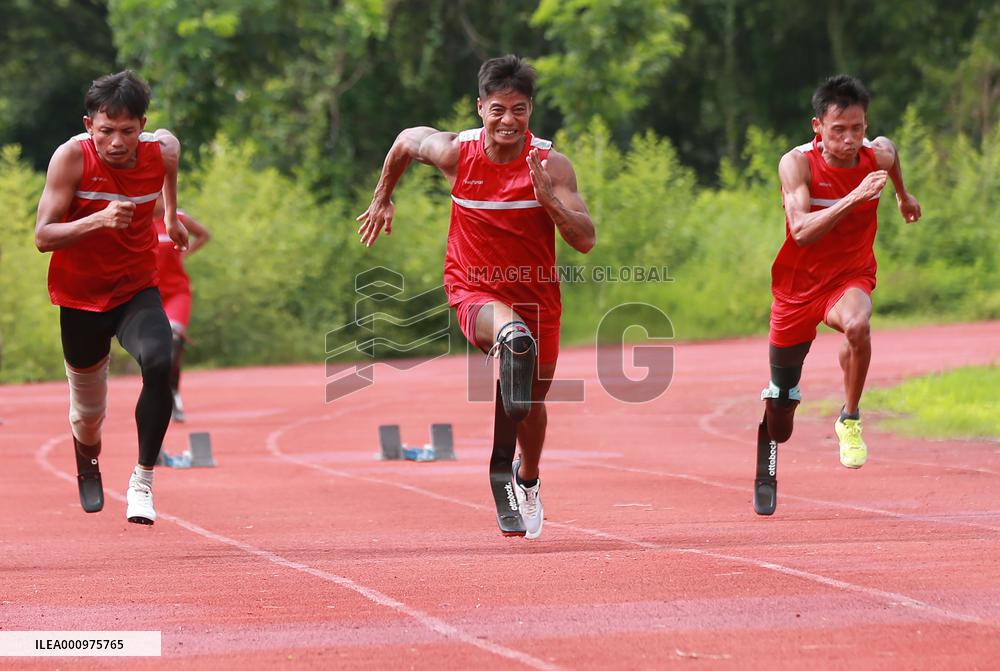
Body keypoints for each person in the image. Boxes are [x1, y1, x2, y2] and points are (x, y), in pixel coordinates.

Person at [357, 55, 596, 539]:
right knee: (514, 337)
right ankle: (498, 472)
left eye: (520, 110)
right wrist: (383, 195)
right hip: (473, 287)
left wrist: (548, 199)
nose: (509, 121)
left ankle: (526, 478)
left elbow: (586, 239)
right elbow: (405, 140)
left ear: (531, 110)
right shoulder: (455, 153)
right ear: (480, 107)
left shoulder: (552, 165)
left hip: (537, 295)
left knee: (528, 402)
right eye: (499, 109)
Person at [35, 70, 186, 525]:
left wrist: (173, 216)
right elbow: (43, 236)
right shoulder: (71, 159)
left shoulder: (162, 151)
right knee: (88, 414)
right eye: (106, 131)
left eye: (127, 131)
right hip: (80, 299)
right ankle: (88, 457)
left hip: (135, 288)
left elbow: (171, 163)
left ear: (142, 126)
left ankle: (142, 481)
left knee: (161, 362)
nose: (116, 142)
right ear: (88, 125)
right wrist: (96, 221)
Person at [762, 74, 921, 468]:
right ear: (817, 127)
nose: (849, 139)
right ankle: (780, 399)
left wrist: (902, 195)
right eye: (838, 130)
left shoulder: (875, 154)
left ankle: (849, 417)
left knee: (858, 325)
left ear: (866, 123)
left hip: (849, 276)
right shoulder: (797, 164)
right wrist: (854, 196)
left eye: (857, 128)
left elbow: (891, 151)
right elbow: (800, 232)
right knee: (781, 419)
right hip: (797, 288)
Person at [152, 192, 211, 422]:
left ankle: (174, 392)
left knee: (174, 341)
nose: (157, 202)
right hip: (149, 295)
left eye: (161, 197)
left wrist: (185, 254)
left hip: (176, 293)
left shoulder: (177, 219)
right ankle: (158, 396)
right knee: (155, 350)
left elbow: (204, 235)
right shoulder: (136, 220)